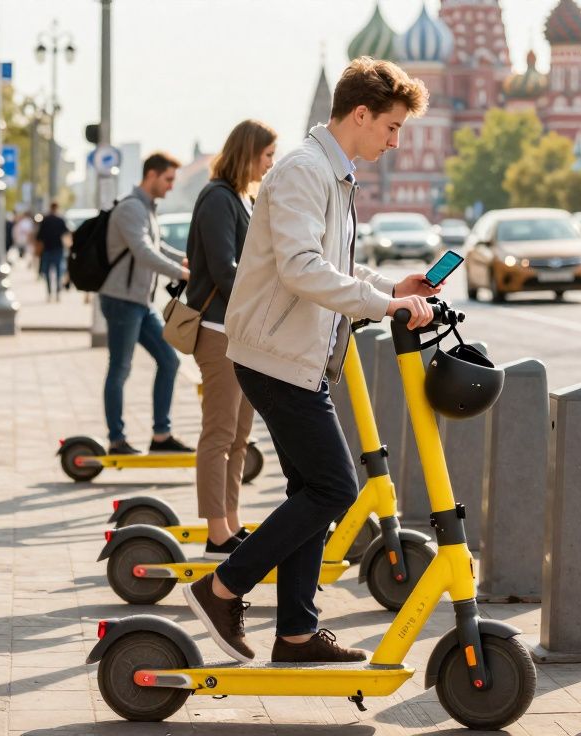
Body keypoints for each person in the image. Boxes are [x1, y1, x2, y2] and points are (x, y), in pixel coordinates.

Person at [184, 57, 437, 665]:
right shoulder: (304, 171)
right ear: (360, 114)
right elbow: (301, 269)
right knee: (334, 488)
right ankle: (222, 588)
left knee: (310, 489)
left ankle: (296, 634)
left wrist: (392, 289)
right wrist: (382, 307)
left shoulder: (333, 173)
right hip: (274, 354)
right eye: (392, 126)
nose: (395, 140)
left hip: (299, 355)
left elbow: (334, 267)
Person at [185, 119, 278, 560]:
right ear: (249, 153)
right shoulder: (217, 199)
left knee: (240, 436)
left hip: (239, 332)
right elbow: (225, 268)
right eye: (267, 156)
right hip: (218, 331)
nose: (271, 164)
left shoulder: (242, 196)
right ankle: (216, 532)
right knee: (219, 434)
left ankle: (231, 522)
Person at [99, 153, 193, 455]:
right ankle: (116, 440)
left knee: (170, 360)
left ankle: (161, 437)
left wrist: (188, 260)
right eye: (168, 179)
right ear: (151, 175)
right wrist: (181, 272)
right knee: (120, 369)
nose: (170, 187)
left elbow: (157, 247)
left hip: (140, 302)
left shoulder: (147, 209)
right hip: (122, 302)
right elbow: (142, 252)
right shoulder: (130, 209)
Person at [36, 203, 69, 301]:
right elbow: (66, 233)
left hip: (47, 250)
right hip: (58, 249)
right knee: (59, 272)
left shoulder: (45, 220)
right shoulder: (60, 220)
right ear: (57, 208)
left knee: (47, 273)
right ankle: (58, 293)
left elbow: (39, 237)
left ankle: (49, 293)